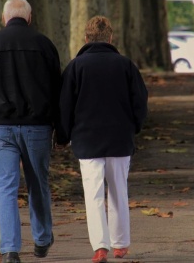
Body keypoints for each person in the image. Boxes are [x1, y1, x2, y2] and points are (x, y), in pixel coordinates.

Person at [0, 0, 62, 263]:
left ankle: (10, 249)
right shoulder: (45, 45)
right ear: (29, 18)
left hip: (1, 127)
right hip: (38, 127)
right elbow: (58, 90)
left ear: (3, 17)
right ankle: (42, 239)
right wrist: (60, 128)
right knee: (38, 184)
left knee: (6, 187)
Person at [58, 16, 148, 263]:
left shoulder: (76, 67)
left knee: (93, 194)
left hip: (87, 140)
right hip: (120, 138)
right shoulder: (126, 65)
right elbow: (140, 101)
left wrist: (63, 136)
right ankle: (120, 244)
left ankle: (100, 246)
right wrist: (134, 127)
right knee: (119, 190)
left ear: (86, 39)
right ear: (111, 38)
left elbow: (65, 106)